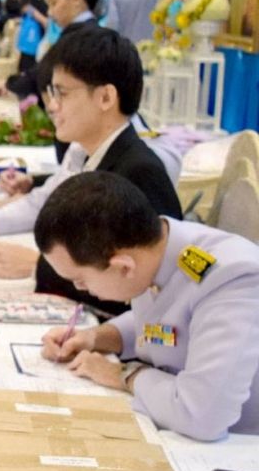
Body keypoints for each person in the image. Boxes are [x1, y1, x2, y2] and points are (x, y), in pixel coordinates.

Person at [0, 26, 182, 315]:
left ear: (106, 98)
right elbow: (47, 201)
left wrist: (40, 267)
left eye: (62, 93)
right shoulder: (84, 151)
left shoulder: (140, 172)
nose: (53, 107)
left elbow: (154, 290)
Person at [36, 172, 259, 440]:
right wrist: (95, 337)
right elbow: (167, 323)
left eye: (81, 280)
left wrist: (126, 375)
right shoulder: (156, 248)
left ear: (123, 266)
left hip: (237, 448)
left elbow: (201, 415)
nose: (81, 289)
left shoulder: (233, 279)